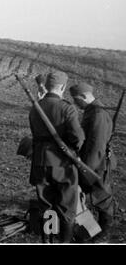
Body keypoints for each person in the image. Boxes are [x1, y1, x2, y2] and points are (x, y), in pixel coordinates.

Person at [29, 71, 85, 243]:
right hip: (63, 164)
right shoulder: (67, 108)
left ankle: (48, 241)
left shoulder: (35, 107)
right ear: (62, 87)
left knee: (46, 206)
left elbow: (34, 134)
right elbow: (79, 138)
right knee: (66, 208)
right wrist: (74, 151)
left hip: (39, 162)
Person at [69, 83, 114, 241]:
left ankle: (104, 232)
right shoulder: (92, 111)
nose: (75, 104)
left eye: (76, 100)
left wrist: (87, 168)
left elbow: (96, 145)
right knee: (95, 193)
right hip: (93, 161)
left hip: (96, 163)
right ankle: (91, 228)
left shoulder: (97, 114)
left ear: (84, 97)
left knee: (102, 195)